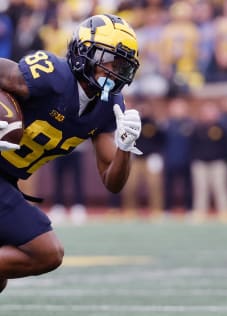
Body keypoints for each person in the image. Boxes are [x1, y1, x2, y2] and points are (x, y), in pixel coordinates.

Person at [0, 14, 142, 293]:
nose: (115, 71)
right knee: (46, 252)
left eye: (123, 65)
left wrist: (125, 147)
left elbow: (112, 182)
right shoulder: (52, 74)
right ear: (83, 52)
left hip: (7, 181)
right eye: (109, 60)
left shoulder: (108, 106)